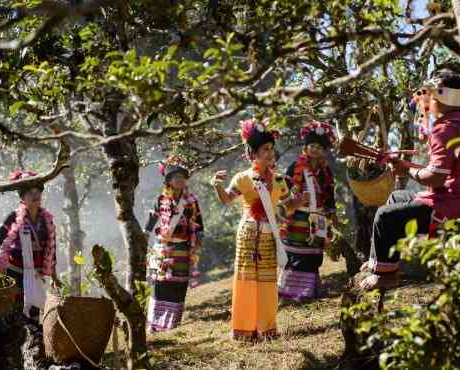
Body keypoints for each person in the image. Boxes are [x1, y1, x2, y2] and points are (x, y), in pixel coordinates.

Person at [361, 69, 460, 290]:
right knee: (396, 197)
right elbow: (452, 170)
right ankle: (383, 262)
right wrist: (409, 166)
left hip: (455, 209)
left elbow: (436, 178)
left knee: (384, 216)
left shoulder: (445, 128)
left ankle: (386, 276)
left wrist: (407, 171)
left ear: (437, 97)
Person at [212, 118, 308, 341]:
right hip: (248, 236)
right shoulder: (243, 178)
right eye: (266, 149)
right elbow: (227, 200)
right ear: (253, 154)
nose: (270, 153)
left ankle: (266, 328)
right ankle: (244, 329)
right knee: (246, 281)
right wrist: (217, 185)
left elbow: (288, 205)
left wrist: (300, 201)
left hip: (269, 236)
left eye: (272, 149)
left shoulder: (279, 179)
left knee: (267, 282)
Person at [0, 170, 60, 319]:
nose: (35, 195)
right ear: (22, 197)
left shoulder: (47, 220)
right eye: (30, 192)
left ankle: (33, 340)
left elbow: (52, 248)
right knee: (16, 312)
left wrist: (54, 275)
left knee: (34, 313)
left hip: (37, 274)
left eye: (38, 191)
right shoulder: (13, 217)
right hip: (15, 273)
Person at [278, 120, 337, 301]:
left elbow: (329, 194)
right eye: (312, 145)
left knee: (313, 254)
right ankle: (291, 292)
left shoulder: (325, 171)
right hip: (297, 218)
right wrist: (296, 201)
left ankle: (310, 290)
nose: (315, 149)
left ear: (324, 151)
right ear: (305, 147)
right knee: (296, 253)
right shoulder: (294, 167)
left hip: (318, 218)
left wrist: (332, 213)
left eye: (319, 147)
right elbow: (284, 192)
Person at [144, 156, 204, 332]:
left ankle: (172, 323)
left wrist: (198, 239)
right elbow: (152, 219)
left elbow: (199, 222)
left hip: (184, 249)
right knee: (161, 284)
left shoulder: (191, 201)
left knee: (179, 284)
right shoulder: (161, 199)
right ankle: (155, 324)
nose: (180, 180)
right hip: (163, 250)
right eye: (175, 177)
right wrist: (146, 233)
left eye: (182, 177)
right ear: (168, 181)